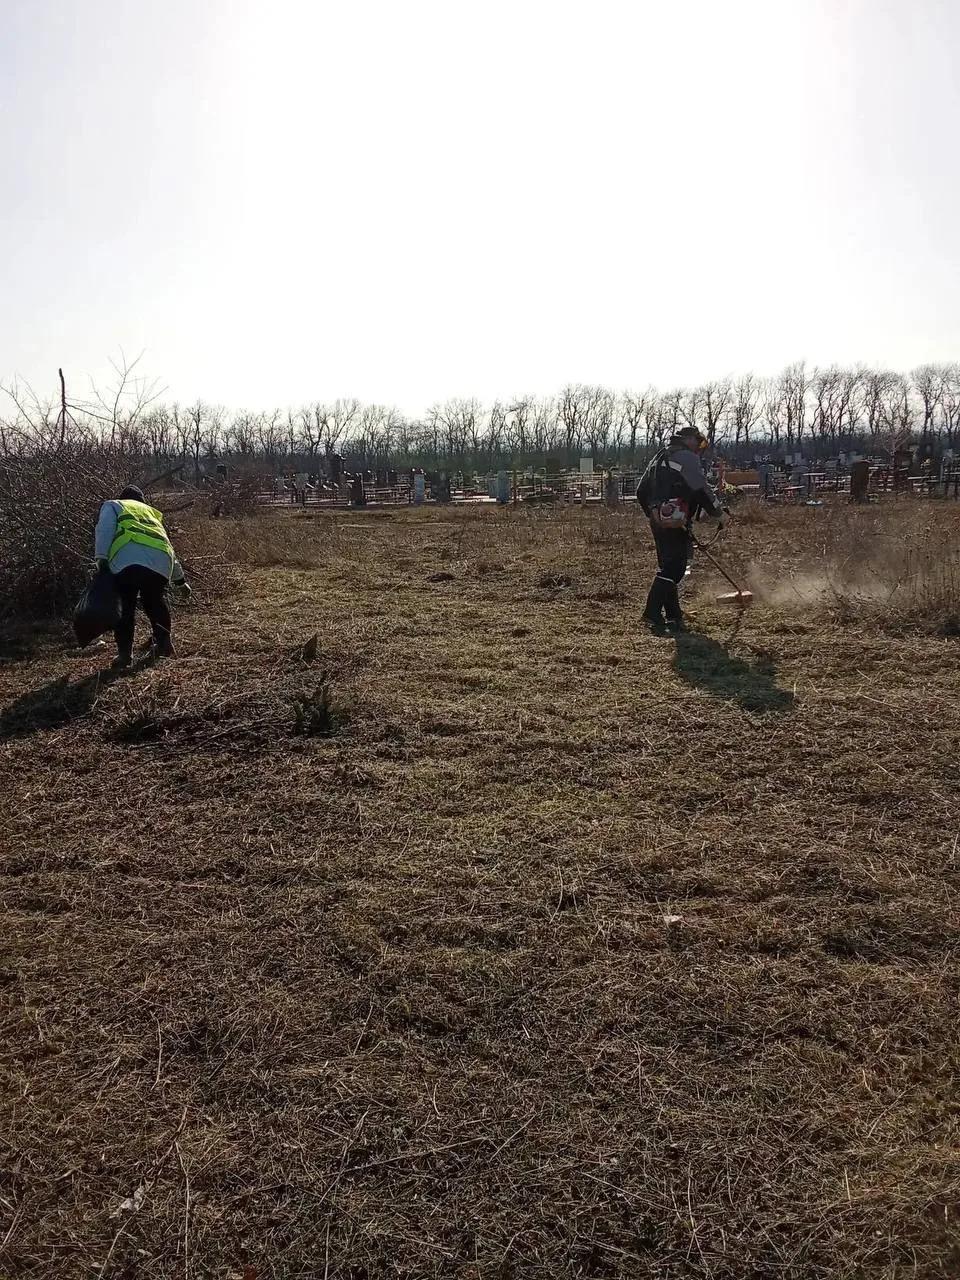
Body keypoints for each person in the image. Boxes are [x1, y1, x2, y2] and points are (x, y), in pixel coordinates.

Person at [636, 428, 727, 632]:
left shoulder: (660, 456)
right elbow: (701, 488)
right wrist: (718, 513)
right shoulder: (686, 457)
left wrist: (654, 514)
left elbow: (641, 490)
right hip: (676, 518)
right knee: (675, 568)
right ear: (687, 440)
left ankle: (673, 614)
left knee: (668, 566)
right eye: (698, 442)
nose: (699, 448)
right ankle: (651, 613)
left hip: (659, 518)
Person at [94, 485, 190, 669]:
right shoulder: (152, 514)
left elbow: (104, 530)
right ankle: (163, 644)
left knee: (125, 607)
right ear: (142, 501)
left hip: (126, 561)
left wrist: (101, 559)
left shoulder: (114, 505)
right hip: (160, 562)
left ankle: (124, 655)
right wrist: (180, 581)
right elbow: (168, 547)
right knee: (154, 601)